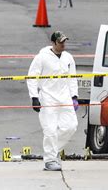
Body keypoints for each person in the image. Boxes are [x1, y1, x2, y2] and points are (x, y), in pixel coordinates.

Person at [27, 31, 79, 171]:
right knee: (50, 130)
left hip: (65, 97)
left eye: (64, 42)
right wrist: (34, 97)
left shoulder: (68, 58)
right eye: (60, 42)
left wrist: (74, 96)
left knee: (71, 126)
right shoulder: (41, 58)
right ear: (53, 42)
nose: (63, 44)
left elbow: (72, 78)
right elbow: (32, 77)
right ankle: (50, 160)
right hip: (47, 98)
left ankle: (53, 151)